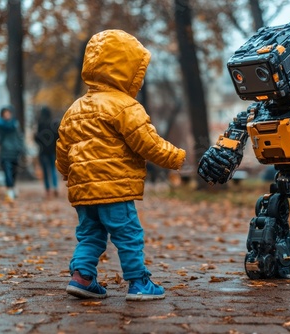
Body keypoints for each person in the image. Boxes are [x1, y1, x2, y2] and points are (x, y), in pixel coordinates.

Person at [56, 30, 186, 301]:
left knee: (90, 235)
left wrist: (70, 175)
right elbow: (148, 144)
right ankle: (139, 283)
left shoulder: (74, 109)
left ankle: (81, 277)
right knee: (128, 234)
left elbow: (63, 150)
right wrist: (177, 158)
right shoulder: (126, 106)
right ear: (128, 71)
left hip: (83, 192)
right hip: (114, 188)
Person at [0, 106, 24, 201]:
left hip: (15, 151)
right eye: (5, 114)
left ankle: (12, 188)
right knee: (7, 171)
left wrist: (21, 147)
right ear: (2, 115)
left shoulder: (15, 124)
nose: (7, 115)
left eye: (8, 113)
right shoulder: (0, 125)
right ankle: (9, 190)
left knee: (14, 172)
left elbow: (19, 136)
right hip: (5, 151)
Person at [34, 106, 59, 197]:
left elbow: (38, 138)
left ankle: (48, 189)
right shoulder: (53, 124)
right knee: (53, 169)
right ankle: (55, 187)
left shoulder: (40, 124)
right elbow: (58, 137)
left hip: (43, 151)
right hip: (52, 151)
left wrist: (36, 138)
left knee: (45, 171)